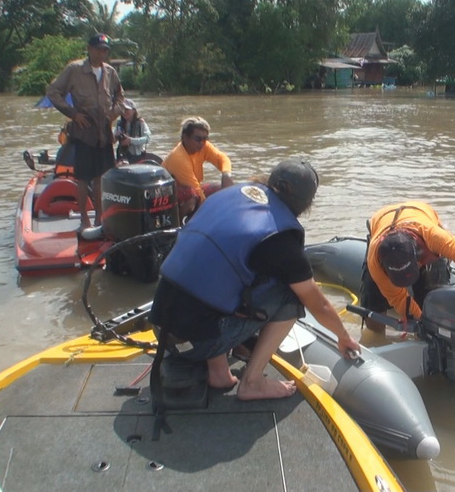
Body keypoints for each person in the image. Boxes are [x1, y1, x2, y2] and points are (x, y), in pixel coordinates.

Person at [149, 159, 361, 400]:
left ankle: (218, 371)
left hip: (161, 328)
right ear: (305, 202)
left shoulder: (226, 196)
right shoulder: (280, 239)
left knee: (221, 276)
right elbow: (319, 304)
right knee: (291, 295)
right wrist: (344, 337)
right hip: (195, 344)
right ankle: (252, 382)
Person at [360, 201, 455, 330]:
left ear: (418, 256)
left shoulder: (433, 236)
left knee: (433, 298)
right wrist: (421, 320)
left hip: (420, 213)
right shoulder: (375, 259)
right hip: (382, 221)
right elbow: (397, 297)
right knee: (373, 309)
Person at [45, 33, 124, 231]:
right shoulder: (75, 70)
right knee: (83, 177)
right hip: (84, 129)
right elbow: (53, 92)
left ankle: (99, 218)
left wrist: (115, 112)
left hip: (104, 130)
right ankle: (84, 220)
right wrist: (73, 114)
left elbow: (120, 95)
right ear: (89, 49)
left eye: (105, 50)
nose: (102, 53)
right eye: (98, 49)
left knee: (101, 176)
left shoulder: (110, 72)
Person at [162, 117, 234, 220]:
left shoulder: (203, 146)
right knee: (192, 195)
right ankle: (180, 224)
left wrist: (226, 174)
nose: (202, 143)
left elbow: (222, 158)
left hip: (192, 190)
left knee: (219, 189)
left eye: (205, 139)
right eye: (198, 139)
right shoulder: (179, 159)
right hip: (169, 198)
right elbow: (198, 194)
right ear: (185, 137)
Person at [114, 99, 152, 164]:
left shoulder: (140, 123)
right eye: (123, 109)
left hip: (137, 156)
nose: (124, 112)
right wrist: (115, 137)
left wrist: (130, 140)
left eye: (127, 109)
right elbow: (113, 140)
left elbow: (147, 139)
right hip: (123, 156)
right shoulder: (119, 124)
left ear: (134, 111)